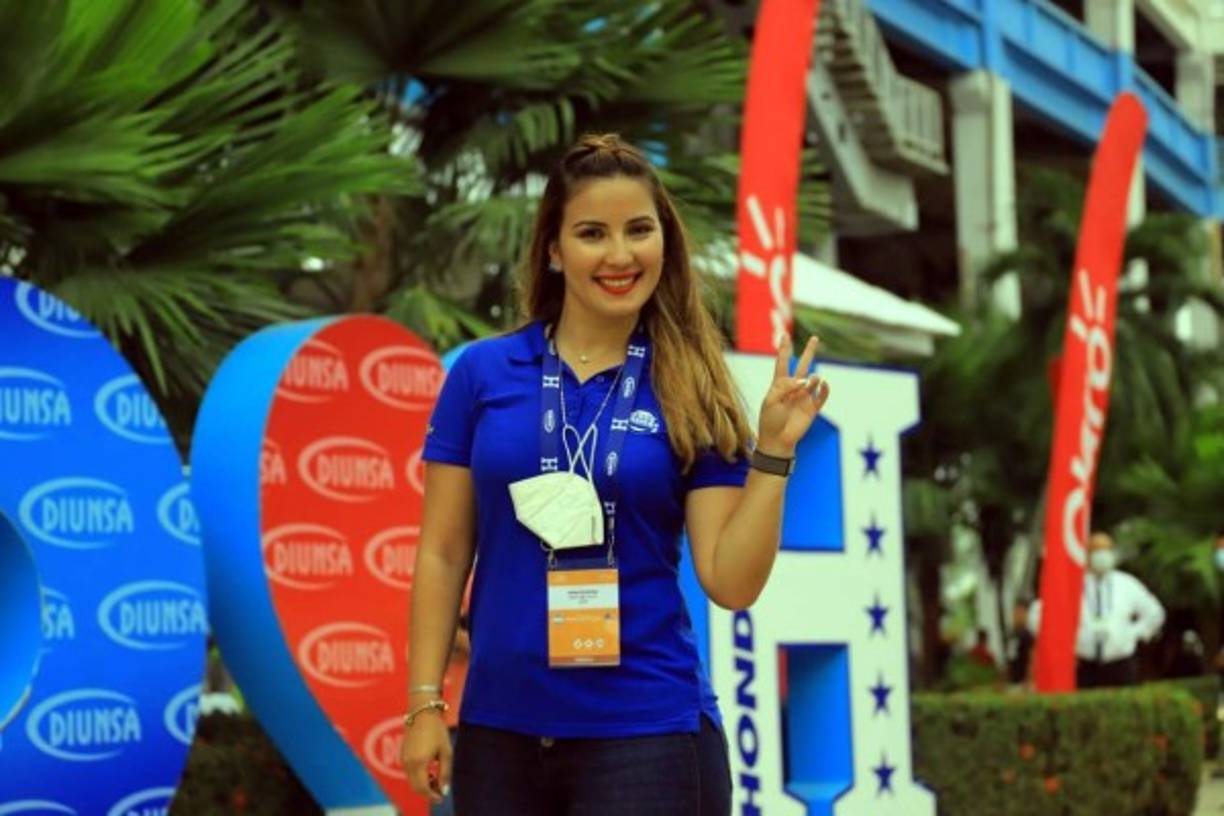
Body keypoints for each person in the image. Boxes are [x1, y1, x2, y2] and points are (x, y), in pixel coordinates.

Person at [399, 133, 830, 815]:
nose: (620, 255)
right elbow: (444, 550)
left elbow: (731, 580)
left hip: (646, 737)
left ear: (666, 242)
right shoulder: (482, 375)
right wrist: (425, 701)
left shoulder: (693, 384)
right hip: (499, 734)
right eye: (592, 233)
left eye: (639, 230)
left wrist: (773, 454)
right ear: (554, 249)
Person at [1029, 531, 1165, 688]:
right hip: (1084, 663)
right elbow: (1037, 615)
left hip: (1120, 661)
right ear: (1087, 555)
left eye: (1106, 550)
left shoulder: (1127, 584)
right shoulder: (1071, 584)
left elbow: (1155, 613)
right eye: (1096, 551)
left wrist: (1134, 634)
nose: (1102, 556)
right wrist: (1059, 643)